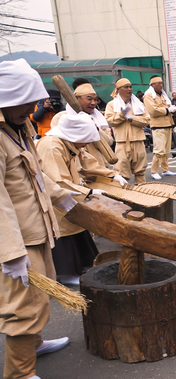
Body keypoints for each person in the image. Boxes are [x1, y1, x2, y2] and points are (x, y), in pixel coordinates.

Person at [0, 59, 83, 379]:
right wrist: (10, 253)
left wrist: (65, 199)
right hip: (15, 239)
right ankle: (19, 374)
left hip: (37, 231)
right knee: (23, 306)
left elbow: (37, 177)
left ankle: (34, 344)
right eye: (26, 101)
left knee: (39, 297)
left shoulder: (20, 130)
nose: (34, 108)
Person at [37, 113, 126, 285]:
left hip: (73, 190)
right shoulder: (51, 146)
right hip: (56, 196)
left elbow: (87, 162)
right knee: (63, 229)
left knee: (78, 226)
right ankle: (66, 273)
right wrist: (89, 192)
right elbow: (58, 181)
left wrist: (111, 174)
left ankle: (83, 264)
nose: (85, 145)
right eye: (84, 140)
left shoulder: (71, 143)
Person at [51, 82, 115, 169]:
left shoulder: (99, 119)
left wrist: (95, 128)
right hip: (76, 166)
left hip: (99, 167)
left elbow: (109, 142)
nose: (93, 103)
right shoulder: (61, 117)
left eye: (95, 99)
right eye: (89, 99)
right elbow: (61, 144)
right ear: (76, 98)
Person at [105, 78, 150, 184]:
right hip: (122, 142)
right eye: (126, 87)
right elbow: (110, 121)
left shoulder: (139, 104)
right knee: (121, 171)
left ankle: (142, 194)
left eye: (130, 87)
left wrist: (132, 118)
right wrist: (121, 115)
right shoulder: (111, 105)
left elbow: (146, 120)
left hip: (138, 140)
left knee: (140, 170)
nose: (129, 89)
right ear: (118, 89)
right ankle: (123, 196)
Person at [144, 75, 176, 180]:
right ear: (153, 84)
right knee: (159, 150)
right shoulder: (149, 95)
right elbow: (153, 111)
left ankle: (165, 169)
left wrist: (172, 108)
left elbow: (166, 107)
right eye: (158, 83)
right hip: (158, 125)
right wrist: (168, 110)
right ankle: (154, 171)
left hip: (167, 123)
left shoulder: (163, 95)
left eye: (161, 83)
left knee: (166, 149)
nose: (161, 85)